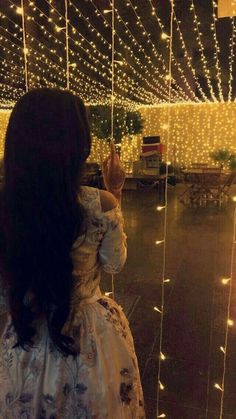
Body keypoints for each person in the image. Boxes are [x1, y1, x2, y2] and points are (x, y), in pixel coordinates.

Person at [0, 88, 145, 419]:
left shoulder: (6, 208)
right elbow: (115, 263)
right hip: (91, 338)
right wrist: (116, 192)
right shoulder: (99, 204)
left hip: (26, 334)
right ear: (77, 144)